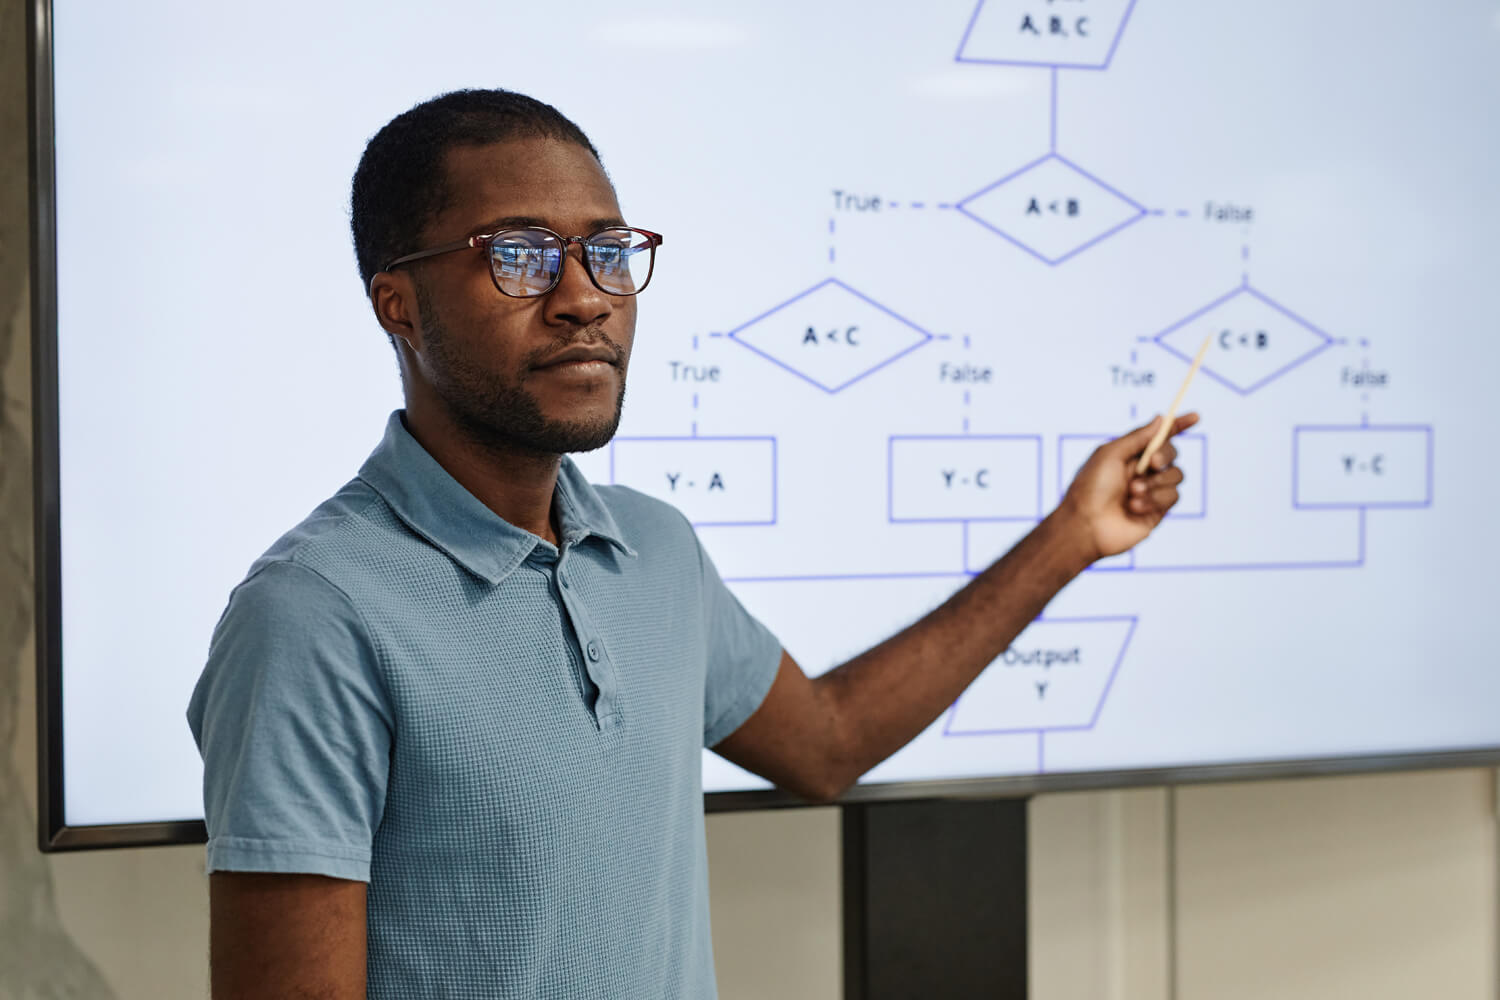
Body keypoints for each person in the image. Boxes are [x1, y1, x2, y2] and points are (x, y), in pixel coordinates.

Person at [187, 88, 1197, 999]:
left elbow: (829, 743)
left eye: (608, 250)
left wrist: (1071, 537)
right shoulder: (313, 613)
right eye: (519, 254)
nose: (583, 296)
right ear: (397, 303)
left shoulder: (654, 551)